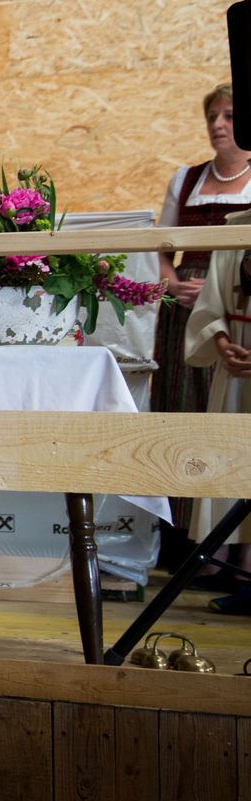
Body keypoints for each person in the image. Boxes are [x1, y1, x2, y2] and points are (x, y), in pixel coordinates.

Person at [153, 82, 251, 567]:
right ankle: (180, 541)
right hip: (183, 307)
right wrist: (172, 285)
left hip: (234, 301)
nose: (218, 125)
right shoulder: (186, 178)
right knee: (179, 409)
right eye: (213, 115)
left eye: (230, 116)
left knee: (225, 415)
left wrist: (213, 289)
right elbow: (160, 247)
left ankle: (227, 548)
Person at [181, 212, 251, 602]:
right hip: (236, 360)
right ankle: (220, 563)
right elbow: (210, 303)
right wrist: (222, 342)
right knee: (230, 456)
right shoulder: (237, 227)